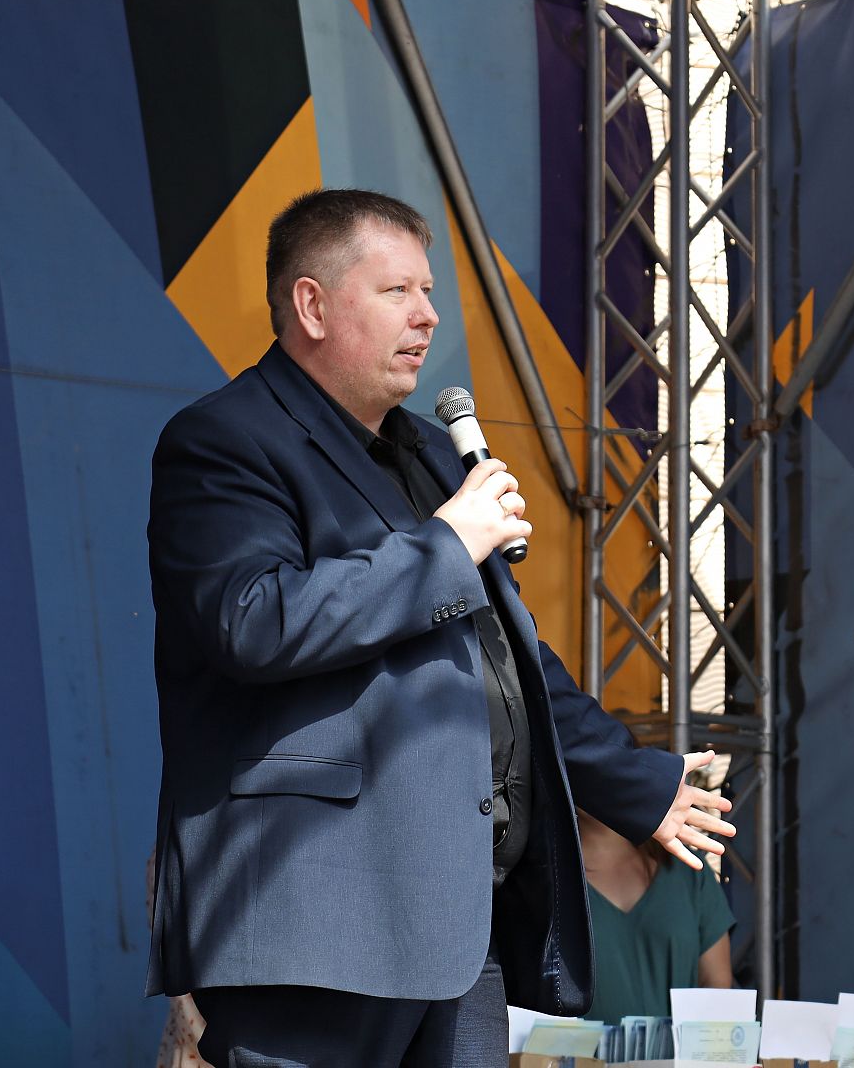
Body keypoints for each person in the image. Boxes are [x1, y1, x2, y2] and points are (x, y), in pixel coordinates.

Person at [144, 188, 736, 1068]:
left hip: (455, 918)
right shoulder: (224, 441)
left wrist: (633, 783)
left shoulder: (428, 451)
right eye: (397, 292)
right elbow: (253, 622)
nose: (426, 316)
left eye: (428, 292)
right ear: (312, 305)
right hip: (314, 918)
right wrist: (448, 546)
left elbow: (508, 659)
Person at [577, 809, 734, 1026]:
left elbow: (717, 988)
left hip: (682, 1048)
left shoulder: (688, 869)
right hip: (567, 1049)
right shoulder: (543, 878)